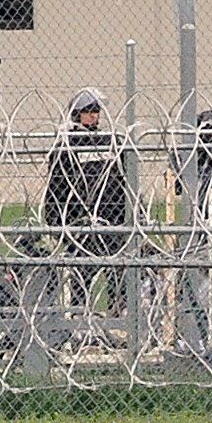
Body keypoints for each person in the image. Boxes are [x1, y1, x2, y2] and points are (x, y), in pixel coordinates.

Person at [42, 88, 132, 314]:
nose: (94, 116)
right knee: (82, 272)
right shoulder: (67, 144)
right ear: (77, 114)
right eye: (88, 111)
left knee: (118, 271)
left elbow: (124, 180)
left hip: (112, 219)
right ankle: (79, 318)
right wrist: (56, 222)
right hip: (80, 221)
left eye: (96, 111)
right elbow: (56, 186)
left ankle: (118, 316)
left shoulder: (109, 141)